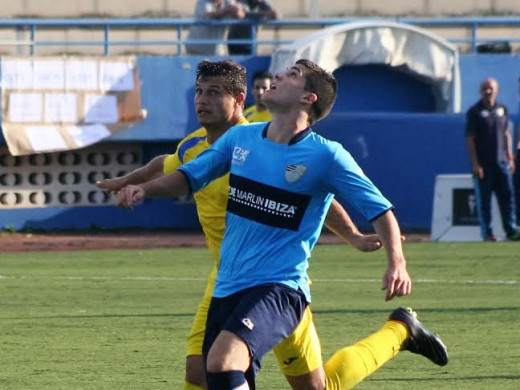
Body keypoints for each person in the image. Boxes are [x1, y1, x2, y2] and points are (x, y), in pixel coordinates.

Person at [115, 59, 448, 390]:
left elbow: (380, 210)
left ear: (308, 98)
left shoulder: (327, 156)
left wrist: (396, 262)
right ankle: (400, 331)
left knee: (220, 362)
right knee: (286, 383)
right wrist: (142, 188)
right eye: (199, 91)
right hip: (228, 285)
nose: (277, 75)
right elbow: (188, 176)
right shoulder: (240, 139)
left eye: (293, 75)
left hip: (279, 288)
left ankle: (400, 331)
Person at [465, 77, 519, 241]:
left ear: (497, 90)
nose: (488, 91)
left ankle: (510, 230)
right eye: (485, 89)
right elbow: (470, 139)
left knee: (507, 197)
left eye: (491, 88)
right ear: (481, 91)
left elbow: (506, 133)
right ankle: (487, 233)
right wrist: (475, 164)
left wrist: (510, 157)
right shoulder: (475, 111)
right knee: (485, 201)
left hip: (501, 163)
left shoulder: (502, 109)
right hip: (484, 165)